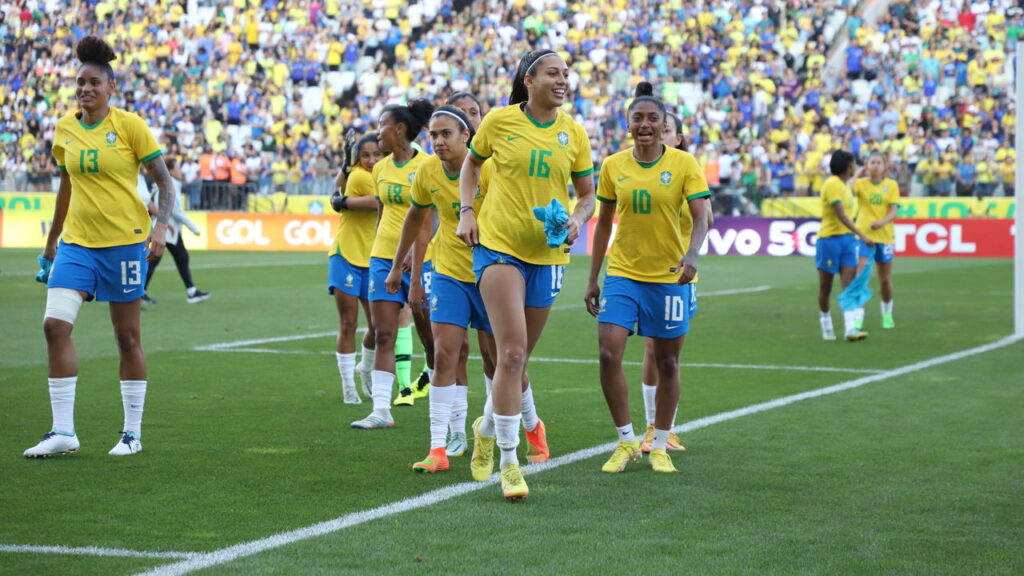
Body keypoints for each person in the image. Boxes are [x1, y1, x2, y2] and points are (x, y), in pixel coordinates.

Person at [24, 35, 176, 458]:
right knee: (54, 326)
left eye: (94, 82)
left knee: (126, 338)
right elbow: (66, 185)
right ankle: (62, 432)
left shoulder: (130, 126)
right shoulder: (66, 127)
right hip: (76, 244)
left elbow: (164, 182)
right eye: (80, 82)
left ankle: (131, 433)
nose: (85, 88)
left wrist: (159, 227)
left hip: (124, 246)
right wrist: (52, 241)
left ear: (111, 88)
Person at [456, 49, 595, 501]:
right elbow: (471, 164)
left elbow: (587, 195)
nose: (563, 80)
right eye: (554, 73)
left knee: (517, 361)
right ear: (529, 79)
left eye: (566, 75)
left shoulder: (573, 132)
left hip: (549, 257)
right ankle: (510, 462)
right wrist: (467, 211)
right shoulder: (498, 121)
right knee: (511, 354)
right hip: (498, 248)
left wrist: (578, 220)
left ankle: (485, 426)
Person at [585, 83, 710, 474]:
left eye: (652, 119)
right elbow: (603, 223)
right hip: (623, 273)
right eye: (637, 118)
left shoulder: (685, 165)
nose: (645, 125)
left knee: (668, 362)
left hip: (669, 277)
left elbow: (702, 216)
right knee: (608, 353)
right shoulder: (612, 166)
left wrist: (692, 255)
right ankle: (625, 441)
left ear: (663, 125)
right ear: (627, 124)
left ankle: (659, 443)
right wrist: (594, 276)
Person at [384, 105, 493, 472]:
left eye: (447, 134)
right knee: (445, 353)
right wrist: (400, 268)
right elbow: (415, 220)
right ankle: (439, 448)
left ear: (467, 137)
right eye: (433, 135)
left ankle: (515, 428)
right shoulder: (428, 170)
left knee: (499, 360)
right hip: (448, 272)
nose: (439, 141)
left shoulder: (488, 168)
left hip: (492, 273)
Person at [351, 99, 435, 430]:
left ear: (399, 129)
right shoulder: (382, 168)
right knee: (384, 332)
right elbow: (383, 212)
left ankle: (444, 395)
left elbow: (435, 216)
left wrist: (418, 255)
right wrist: (378, 250)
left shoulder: (429, 165)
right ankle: (382, 410)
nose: (377, 131)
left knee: (431, 338)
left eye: (382, 123)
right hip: (383, 258)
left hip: (422, 261)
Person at [637, 106, 715, 454]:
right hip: (647, 272)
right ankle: (652, 426)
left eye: (666, 130)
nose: (658, 133)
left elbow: (706, 218)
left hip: (681, 276)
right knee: (652, 348)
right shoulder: (643, 171)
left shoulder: (687, 170)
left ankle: (665, 427)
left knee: (670, 353)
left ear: (678, 138)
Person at [329, 133, 383, 404]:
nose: (372, 160)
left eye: (377, 154)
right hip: (347, 254)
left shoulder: (382, 173)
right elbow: (378, 200)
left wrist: (343, 200)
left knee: (376, 324)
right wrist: (346, 168)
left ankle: (365, 369)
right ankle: (348, 384)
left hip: (372, 256)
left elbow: (378, 199)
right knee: (349, 322)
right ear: (357, 158)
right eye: (366, 155)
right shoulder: (360, 176)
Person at [817, 150, 873, 342]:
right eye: (853, 164)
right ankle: (826, 325)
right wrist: (863, 235)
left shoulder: (843, 185)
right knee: (826, 287)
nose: (855, 167)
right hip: (830, 240)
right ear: (846, 165)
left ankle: (850, 329)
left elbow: (848, 187)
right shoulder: (831, 184)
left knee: (848, 285)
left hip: (848, 241)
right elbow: (841, 215)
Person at [140, 159, 211, 306]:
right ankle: (140, 293)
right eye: (178, 168)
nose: (181, 171)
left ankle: (191, 291)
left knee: (177, 258)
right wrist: (193, 227)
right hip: (166, 229)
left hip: (169, 229)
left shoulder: (168, 184)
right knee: (171, 258)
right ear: (171, 171)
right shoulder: (169, 185)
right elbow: (175, 210)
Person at [851, 152, 899, 330]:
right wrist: (857, 173)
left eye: (879, 162)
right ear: (867, 165)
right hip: (864, 236)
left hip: (885, 236)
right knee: (861, 276)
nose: (876, 165)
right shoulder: (861, 184)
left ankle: (887, 313)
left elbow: (894, 210)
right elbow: (846, 190)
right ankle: (858, 317)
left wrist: (882, 222)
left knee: (885, 279)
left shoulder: (891, 185)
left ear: (885, 166)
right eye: (872, 162)